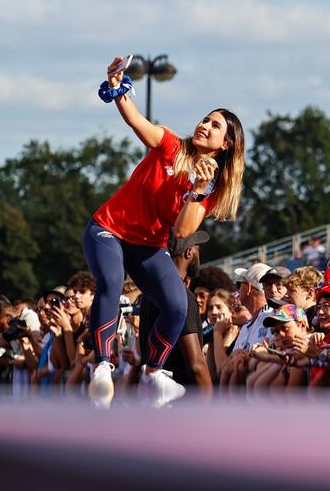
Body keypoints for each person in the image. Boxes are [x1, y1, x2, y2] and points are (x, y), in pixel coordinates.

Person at [82, 55, 245, 405]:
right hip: (108, 229)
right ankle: (102, 365)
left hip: (146, 245)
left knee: (176, 305)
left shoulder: (211, 189)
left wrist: (196, 192)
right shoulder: (171, 144)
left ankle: (154, 372)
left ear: (226, 144)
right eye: (205, 120)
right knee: (111, 282)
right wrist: (116, 86)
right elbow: (136, 121)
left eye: (215, 126)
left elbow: (183, 229)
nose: (205, 125)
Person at [136, 231, 213, 404]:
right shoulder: (180, 295)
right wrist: (209, 409)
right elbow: (196, 365)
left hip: (154, 399)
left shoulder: (149, 295)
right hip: (177, 404)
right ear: (189, 252)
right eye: (197, 249)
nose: (198, 253)